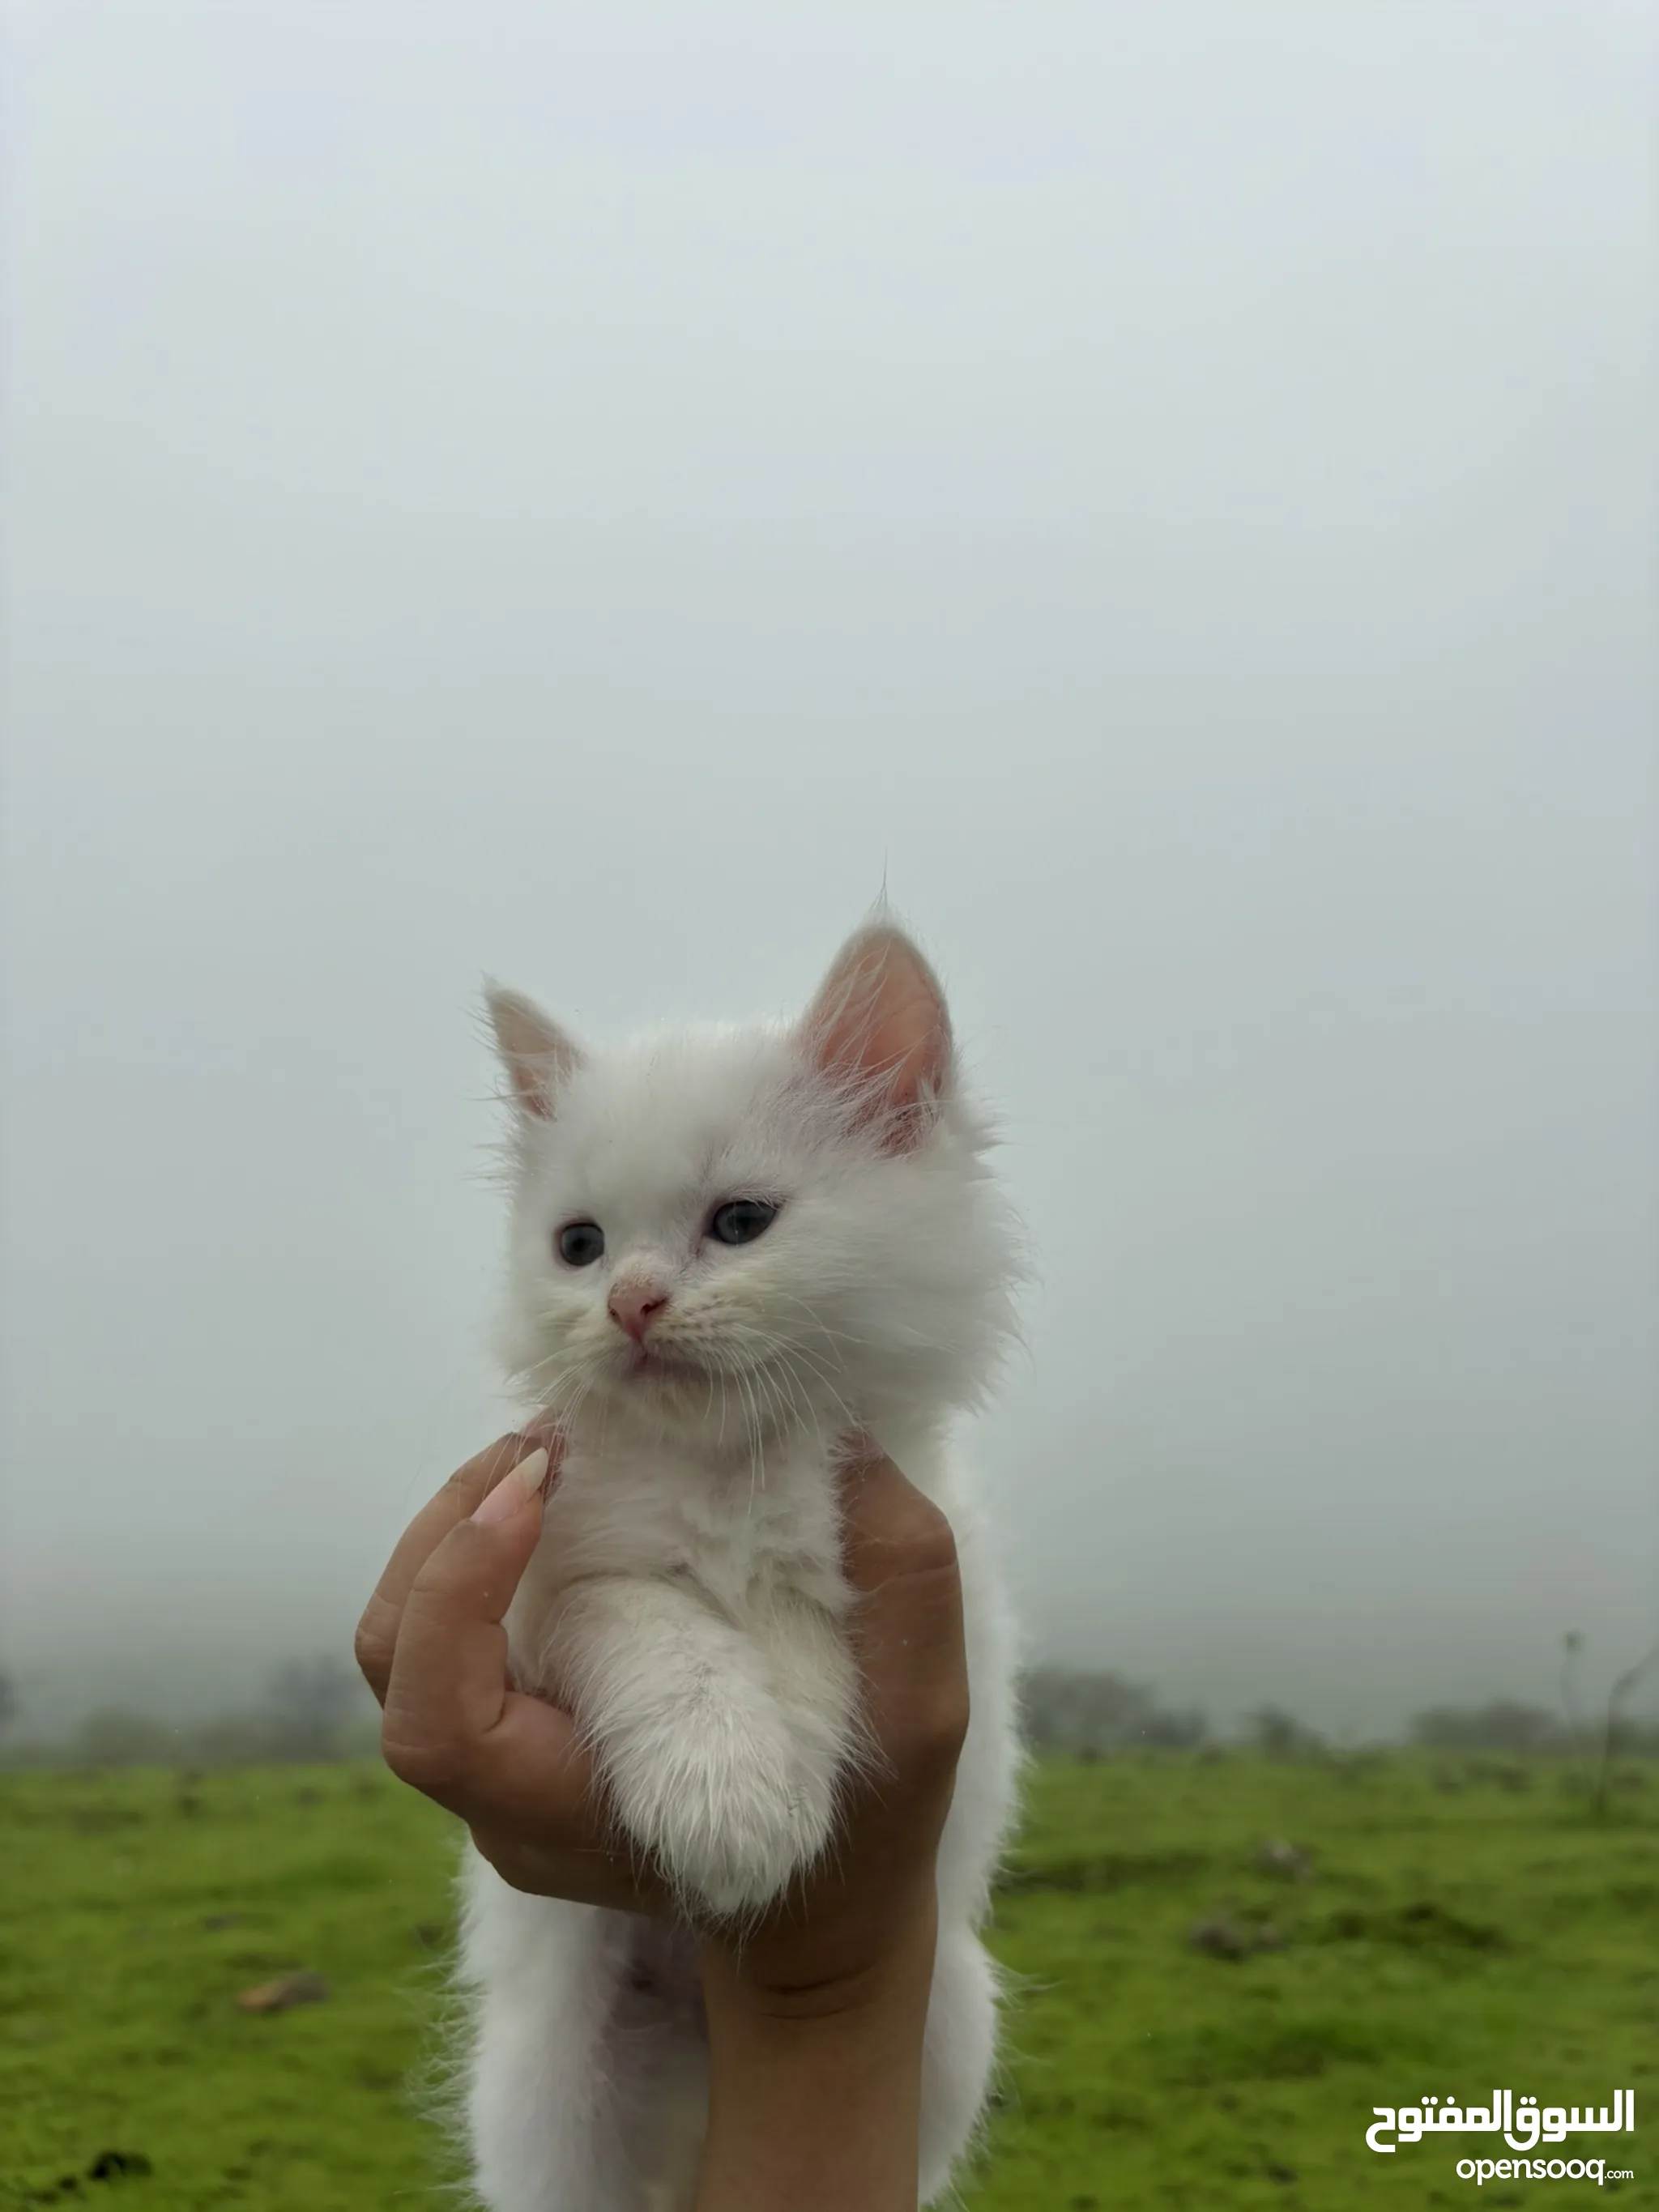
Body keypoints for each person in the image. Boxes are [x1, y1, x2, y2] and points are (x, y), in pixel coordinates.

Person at [355, 1430, 973, 2212]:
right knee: (560, 2089)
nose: (633, 1300)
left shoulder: (884, 1455)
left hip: (881, 2014)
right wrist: (832, 1979)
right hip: (622, 2008)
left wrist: (825, 1969)